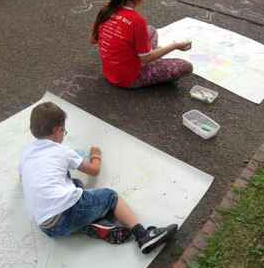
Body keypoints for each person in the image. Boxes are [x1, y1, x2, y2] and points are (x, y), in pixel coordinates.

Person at [18, 102, 178, 254]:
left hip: (47, 226)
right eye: (64, 132)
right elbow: (94, 170)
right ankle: (143, 235)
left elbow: (23, 177)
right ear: (58, 131)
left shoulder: (25, 153)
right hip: (68, 212)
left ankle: (99, 222)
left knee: (74, 183)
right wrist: (96, 155)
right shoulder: (62, 150)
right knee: (109, 196)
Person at [89, 0, 193, 88]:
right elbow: (145, 58)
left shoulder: (106, 9)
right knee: (186, 66)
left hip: (110, 71)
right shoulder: (136, 21)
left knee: (151, 30)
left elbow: (92, 40)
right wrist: (175, 45)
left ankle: (153, 58)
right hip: (128, 78)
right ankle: (154, 66)